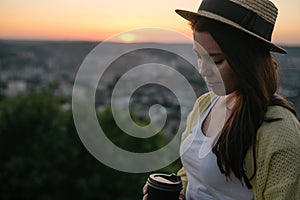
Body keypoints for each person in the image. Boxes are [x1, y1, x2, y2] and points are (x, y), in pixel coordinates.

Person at [142, 0, 300, 199]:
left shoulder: (280, 131)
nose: (202, 70)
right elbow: (193, 175)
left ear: (247, 59)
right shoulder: (206, 104)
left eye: (216, 60)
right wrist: (175, 190)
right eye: (199, 56)